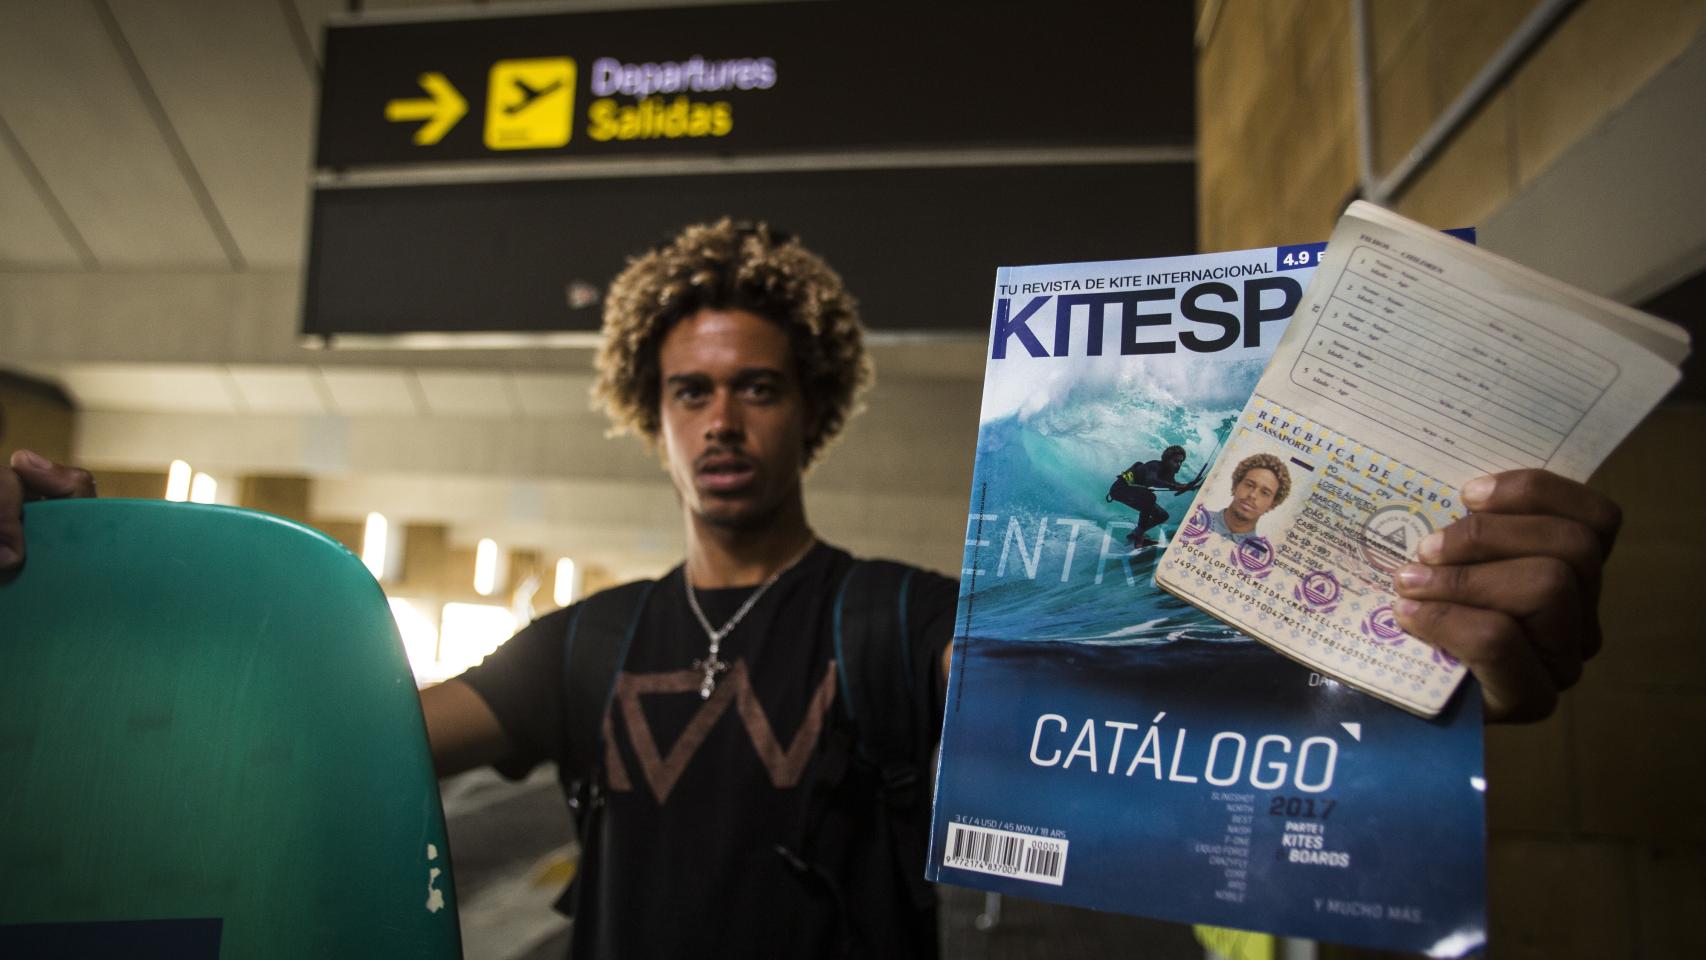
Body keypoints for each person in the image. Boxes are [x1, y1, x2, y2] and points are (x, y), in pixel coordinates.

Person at [0, 219, 1626, 953]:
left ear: (813, 408)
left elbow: (1177, 710)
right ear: (653, 413)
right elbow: (312, 759)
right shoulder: (586, 644)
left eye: (757, 387)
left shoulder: (906, 620)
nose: (722, 419)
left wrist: (1425, 654)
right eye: (692, 391)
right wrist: (59, 614)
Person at [1108, 444, 1199, 548]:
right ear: (1166, 460)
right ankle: (1139, 538)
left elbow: (1174, 486)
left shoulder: (1169, 474)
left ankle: (1134, 534)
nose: (1178, 465)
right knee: (1150, 497)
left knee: (1162, 516)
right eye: (1175, 461)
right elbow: (1152, 480)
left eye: (1180, 462)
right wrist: (1176, 486)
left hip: (1131, 492)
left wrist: (1190, 486)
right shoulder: (1155, 465)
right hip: (1119, 489)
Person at [1201, 452, 1291, 545]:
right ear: (1236, 485)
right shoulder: (1196, 518)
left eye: (1264, 493)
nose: (1253, 495)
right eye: (1249, 485)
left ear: (1272, 504)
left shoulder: (1259, 554)